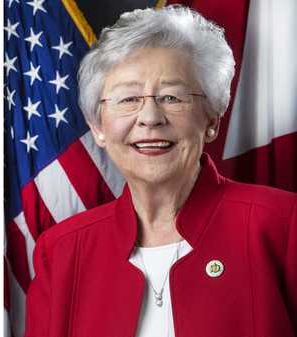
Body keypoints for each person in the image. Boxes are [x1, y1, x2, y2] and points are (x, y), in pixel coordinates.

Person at [25, 5, 297, 337]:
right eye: (127, 99)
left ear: (211, 120)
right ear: (97, 126)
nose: (150, 117)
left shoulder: (283, 226)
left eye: (172, 97)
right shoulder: (62, 251)